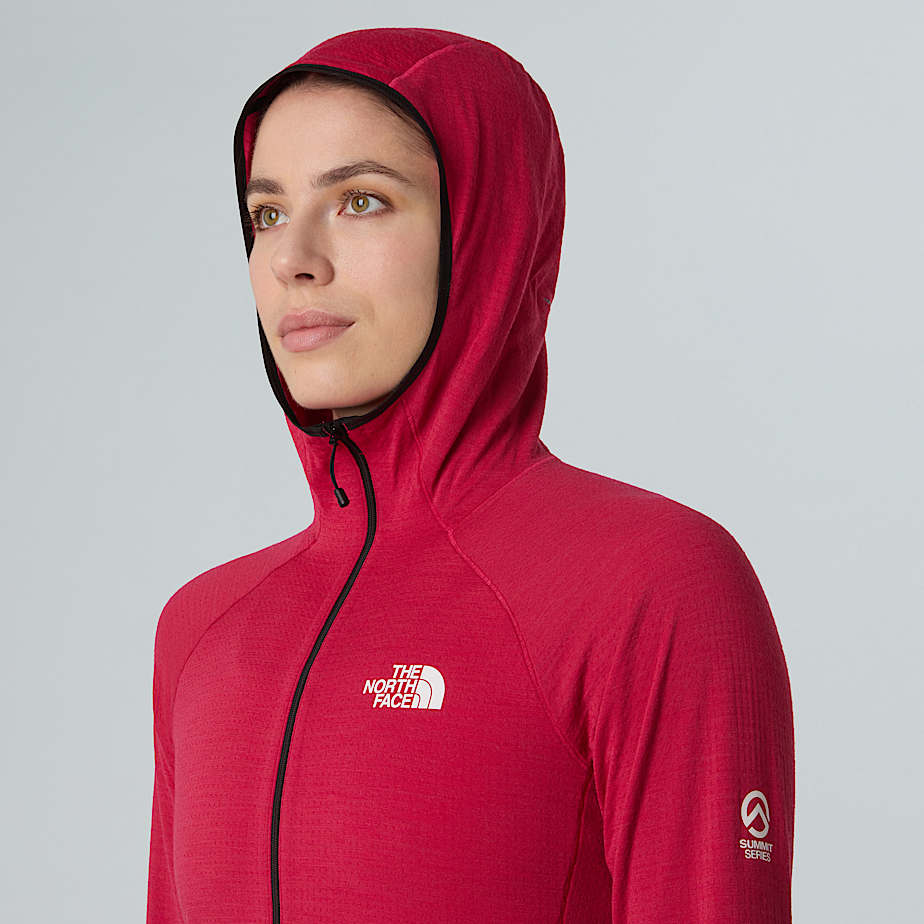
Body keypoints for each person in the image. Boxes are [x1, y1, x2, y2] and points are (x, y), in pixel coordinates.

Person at [146, 27, 795, 924]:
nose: (294, 258)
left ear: (489, 227)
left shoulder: (651, 584)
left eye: (361, 201)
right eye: (266, 214)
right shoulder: (200, 632)